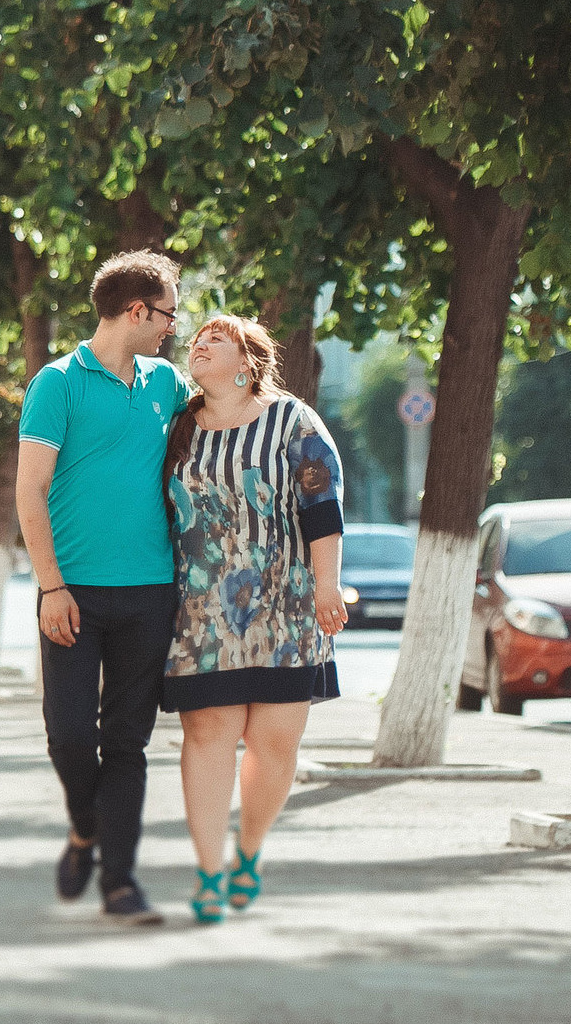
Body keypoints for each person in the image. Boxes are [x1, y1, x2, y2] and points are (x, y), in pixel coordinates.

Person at [16, 249, 186, 926]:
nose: (174, 326)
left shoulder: (166, 383)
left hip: (150, 593)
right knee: (66, 735)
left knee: (126, 741)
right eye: (169, 312)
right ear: (138, 310)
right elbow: (31, 490)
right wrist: (52, 586)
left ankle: (119, 881)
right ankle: (85, 827)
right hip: (73, 594)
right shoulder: (58, 384)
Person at [161, 315, 347, 922]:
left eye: (217, 339)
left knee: (272, 745)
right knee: (208, 737)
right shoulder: (178, 428)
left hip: (287, 609)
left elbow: (323, 504)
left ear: (249, 361)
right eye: (197, 339)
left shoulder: (293, 421)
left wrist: (328, 586)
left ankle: (249, 850)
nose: (201, 345)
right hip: (201, 614)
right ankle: (209, 872)